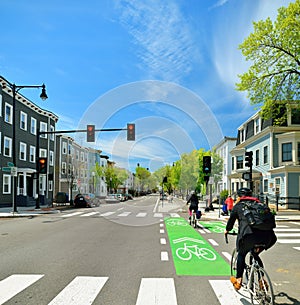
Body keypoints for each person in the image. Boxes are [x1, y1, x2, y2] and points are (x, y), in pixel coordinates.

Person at [224, 188, 277, 290]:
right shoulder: (259, 204)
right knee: (255, 254)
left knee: (241, 254)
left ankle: (239, 279)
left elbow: (231, 222)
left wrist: (227, 230)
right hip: (267, 237)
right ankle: (261, 279)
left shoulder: (238, 206)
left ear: (239, 196)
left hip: (249, 236)